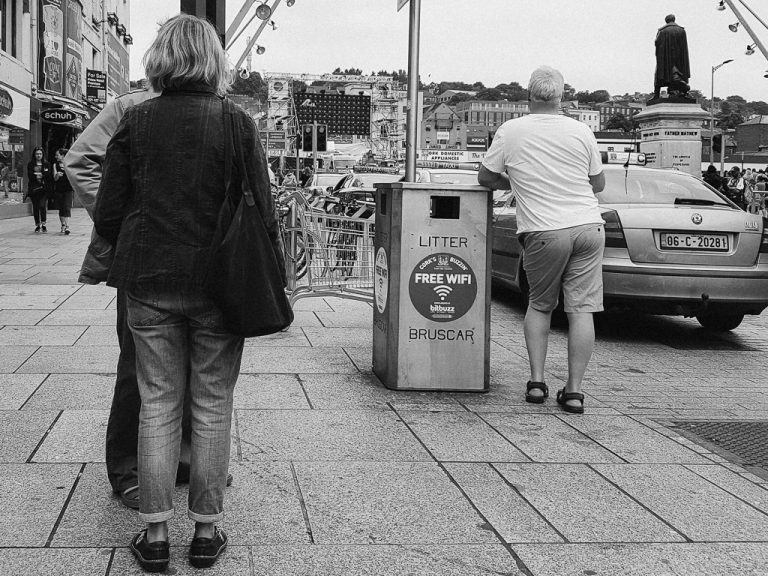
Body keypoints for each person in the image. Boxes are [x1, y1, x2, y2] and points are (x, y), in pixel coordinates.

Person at [93, 15, 282, 572]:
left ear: (159, 59)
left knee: (156, 403)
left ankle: (154, 536)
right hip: (220, 287)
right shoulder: (236, 123)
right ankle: (204, 532)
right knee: (212, 402)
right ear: (214, 61)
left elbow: (107, 211)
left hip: (148, 283)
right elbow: (264, 212)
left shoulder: (137, 120)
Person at [478, 66, 605, 415]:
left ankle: (536, 383)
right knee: (582, 310)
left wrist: (518, 183)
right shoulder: (582, 131)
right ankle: (575, 392)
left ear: (528, 95)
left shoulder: (511, 131)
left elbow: (486, 178)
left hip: (545, 230)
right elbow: (598, 185)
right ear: (561, 96)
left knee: (540, 304)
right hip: (589, 227)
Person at [653, 14, 690, 99]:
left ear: (666, 21)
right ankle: (680, 91)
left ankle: (656, 95)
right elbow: (684, 46)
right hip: (680, 59)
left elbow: (657, 43)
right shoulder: (682, 30)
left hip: (665, 58)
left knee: (659, 75)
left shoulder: (662, 31)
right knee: (677, 75)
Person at [26, 147, 53, 232]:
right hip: (34, 189)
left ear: (43, 155)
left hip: (44, 189)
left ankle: (44, 223)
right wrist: (39, 175)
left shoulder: (47, 164)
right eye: (37, 154)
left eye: (40, 154)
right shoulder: (30, 164)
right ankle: (38, 224)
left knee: (42, 205)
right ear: (34, 154)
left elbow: (48, 175)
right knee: (36, 207)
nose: (39, 155)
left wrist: (40, 174)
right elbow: (30, 175)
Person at [52, 148, 73, 235]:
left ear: (63, 155)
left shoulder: (69, 164)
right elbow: (55, 178)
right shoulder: (55, 165)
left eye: (58, 155)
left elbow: (73, 176)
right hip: (59, 189)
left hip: (68, 189)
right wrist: (57, 175)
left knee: (67, 207)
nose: (56, 156)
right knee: (61, 208)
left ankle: (67, 226)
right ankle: (63, 225)